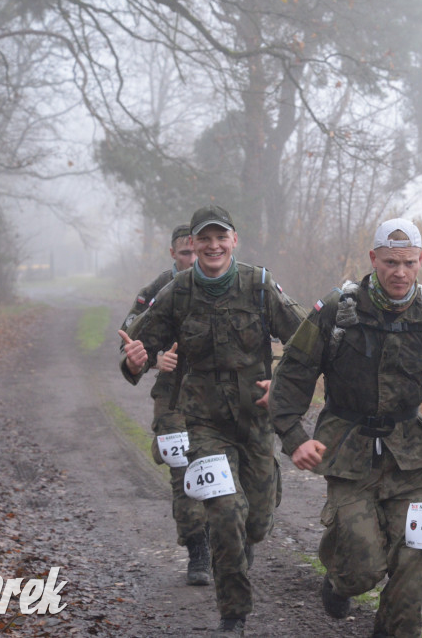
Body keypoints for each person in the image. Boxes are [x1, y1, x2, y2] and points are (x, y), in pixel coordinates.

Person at [268, 218, 422, 638]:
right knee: (362, 571)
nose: (399, 272)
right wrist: (294, 438)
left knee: (416, 565)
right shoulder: (338, 310)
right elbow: (291, 377)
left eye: (408, 262)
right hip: (349, 453)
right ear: (373, 259)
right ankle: (337, 577)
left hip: (414, 461)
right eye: (390, 262)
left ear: (420, 260)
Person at [118, 205, 306, 638]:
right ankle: (233, 615)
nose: (213, 245)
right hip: (202, 425)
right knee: (224, 512)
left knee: (255, 521)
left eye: (221, 237)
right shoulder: (177, 292)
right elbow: (138, 348)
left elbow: (305, 341)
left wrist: (281, 381)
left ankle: (247, 528)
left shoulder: (259, 285)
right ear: (193, 245)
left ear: (234, 240)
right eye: (205, 239)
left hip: (255, 423)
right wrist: (136, 360)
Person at [119, 223, 211, 586]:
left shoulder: (225, 284)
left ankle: (234, 537)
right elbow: (130, 351)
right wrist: (154, 359)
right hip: (174, 397)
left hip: (223, 398)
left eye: (196, 250)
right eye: (185, 252)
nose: (192, 258)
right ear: (173, 254)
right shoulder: (156, 292)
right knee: (183, 471)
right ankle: (197, 549)